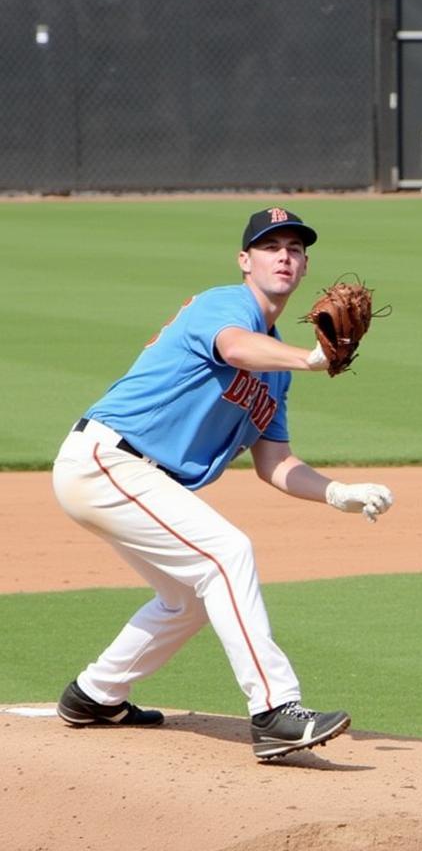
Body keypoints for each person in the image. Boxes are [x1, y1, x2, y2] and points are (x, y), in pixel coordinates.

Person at [52, 207, 394, 761]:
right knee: (226, 553)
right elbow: (234, 348)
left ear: (305, 266)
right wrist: (311, 358)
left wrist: (338, 492)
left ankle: (96, 694)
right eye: (270, 246)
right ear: (245, 260)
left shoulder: (276, 370)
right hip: (109, 461)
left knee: (187, 598)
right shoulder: (225, 304)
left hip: (124, 475)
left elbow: (275, 462)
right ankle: (276, 711)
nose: (284, 255)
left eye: (295, 248)